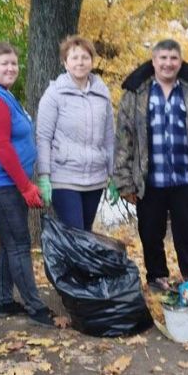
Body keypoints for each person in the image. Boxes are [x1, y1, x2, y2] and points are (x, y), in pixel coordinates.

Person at [114, 39, 188, 291]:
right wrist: (123, 180)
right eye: (162, 58)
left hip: (186, 179)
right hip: (149, 180)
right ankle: (156, 278)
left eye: (173, 58)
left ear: (180, 61)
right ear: (153, 61)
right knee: (150, 234)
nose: (168, 63)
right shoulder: (136, 94)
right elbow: (124, 138)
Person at [0, 41, 55, 326]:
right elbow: (1, 147)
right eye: (3, 63)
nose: (10, 68)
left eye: (14, 63)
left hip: (2, 182)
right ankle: (35, 307)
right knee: (19, 243)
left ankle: (4, 301)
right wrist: (26, 186)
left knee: (9, 241)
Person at [36, 35, 116, 231]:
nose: (80, 62)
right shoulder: (54, 94)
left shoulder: (101, 93)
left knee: (85, 235)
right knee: (76, 233)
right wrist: (44, 175)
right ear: (65, 63)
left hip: (95, 179)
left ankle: (69, 263)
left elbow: (109, 138)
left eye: (85, 57)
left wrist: (114, 174)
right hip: (64, 177)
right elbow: (43, 137)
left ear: (92, 61)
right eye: (74, 58)